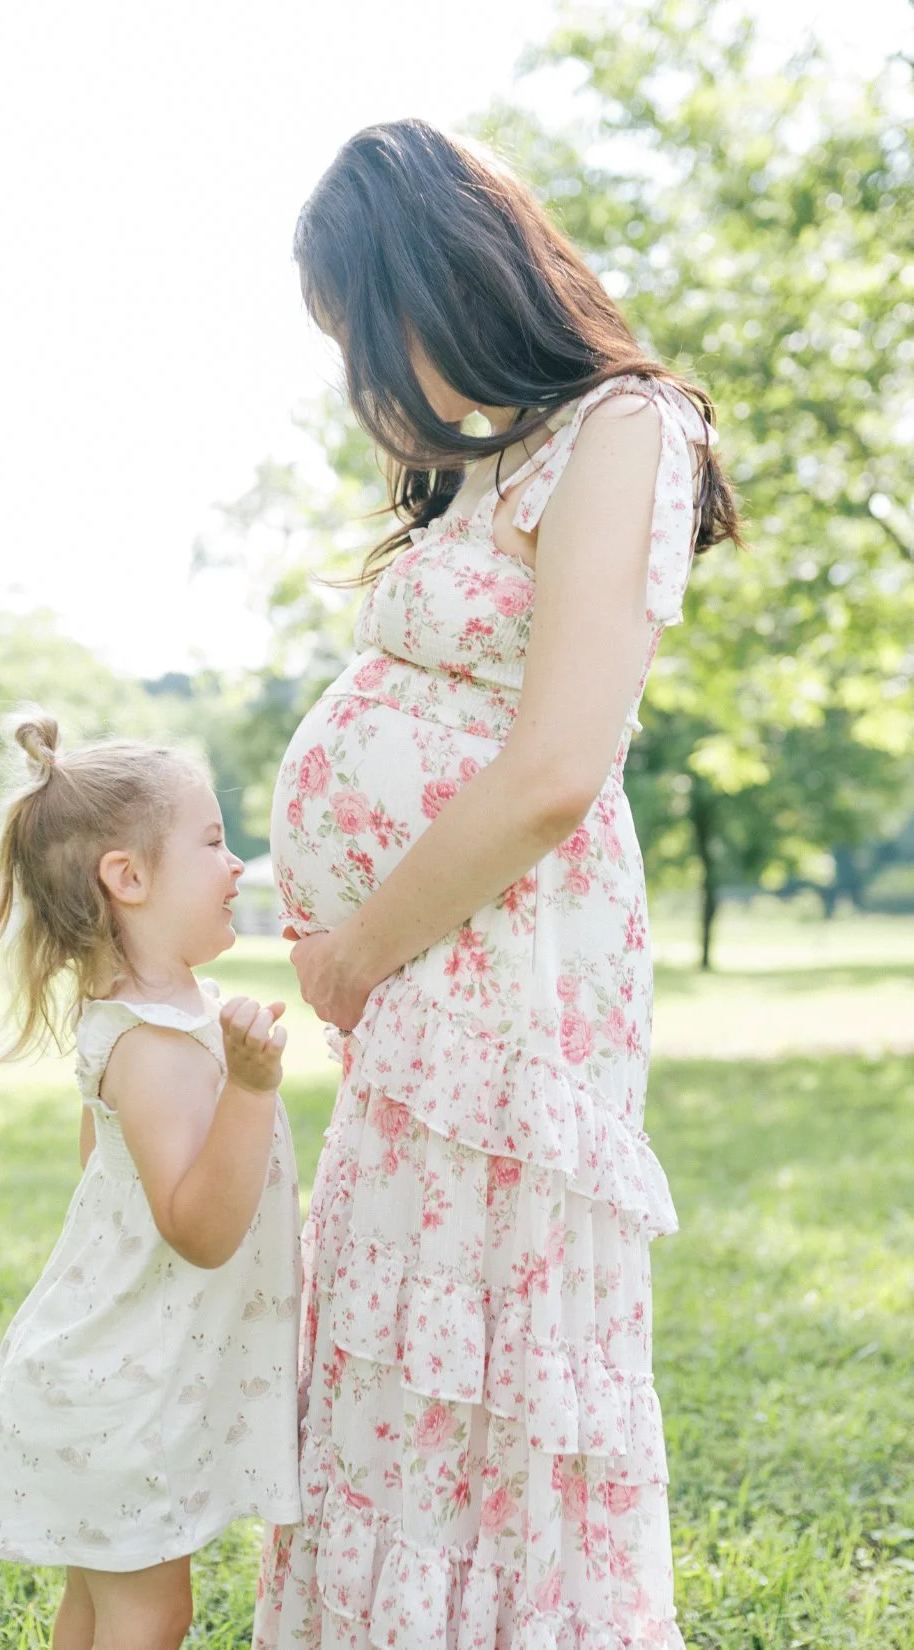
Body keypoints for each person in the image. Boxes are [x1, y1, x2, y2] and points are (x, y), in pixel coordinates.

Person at [253, 120, 741, 1650]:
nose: (363, 379)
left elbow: (550, 772)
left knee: (499, 1360)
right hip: (422, 986)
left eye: (360, 331)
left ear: (441, 274)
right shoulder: (473, 464)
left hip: (507, 978)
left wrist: (350, 956)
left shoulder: (625, 428)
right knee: (400, 1361)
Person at [0, 711, 302, 1650]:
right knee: (152, 1615)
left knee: (100, 1608)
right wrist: (251, 1089)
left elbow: (96, 1177)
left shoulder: (142, 1014)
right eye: (213, 841)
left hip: (116, 1370)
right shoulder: (155, 1044)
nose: (236, 865)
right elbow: (200, 1229)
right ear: (130, 877)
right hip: (129, 1392)